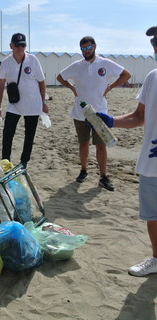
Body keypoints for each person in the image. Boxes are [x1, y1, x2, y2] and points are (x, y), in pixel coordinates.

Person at [97, 26, 157, 276]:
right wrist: (111, 121)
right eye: (155, 42)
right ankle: (156, 259)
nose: (155, 46)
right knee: (152, 214)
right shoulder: (153, 77)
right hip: (151, 163)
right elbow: (139, 117)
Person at [57, 36, 131, 191]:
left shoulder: (105, 63)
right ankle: (83, 171)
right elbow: (60, 77)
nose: (86, 51)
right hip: (80, 112)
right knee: (83, 144)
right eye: (83, 49)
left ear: (95, 47)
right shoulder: (76, 66)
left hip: (99, 113)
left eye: (88, 47)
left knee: (101, 146)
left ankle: (103, 177)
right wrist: (71, 88)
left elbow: (126, 75)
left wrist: (110, 87)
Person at [0, 33, 49, 168]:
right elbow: (1, 85)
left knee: (29, 135)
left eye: (23, 45)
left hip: (33, 104)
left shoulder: (33, 59)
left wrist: (43, 102)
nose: (20, 48)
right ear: (11, 46)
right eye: (17, 45)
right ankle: (5, 161)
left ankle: (24, 162)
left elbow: (42, 82)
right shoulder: (6, 62)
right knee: (7, 133)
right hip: (14, 104)